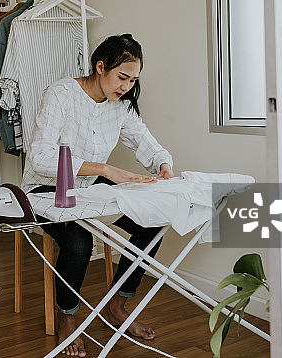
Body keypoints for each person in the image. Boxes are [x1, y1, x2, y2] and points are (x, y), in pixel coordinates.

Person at [22, 33, 174, 357]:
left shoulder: (121, 107)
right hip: (45, 191)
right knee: (79, 241)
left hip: (89, 192)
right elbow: (39, 156)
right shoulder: (60, 94)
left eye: (133, 80)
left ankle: (117, 305)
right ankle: (67, 317)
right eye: (122, 77)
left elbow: (145, 141)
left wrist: (163, 165)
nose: (126, 86)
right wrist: (103, 169)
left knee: (153, 222)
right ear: (100, 66)